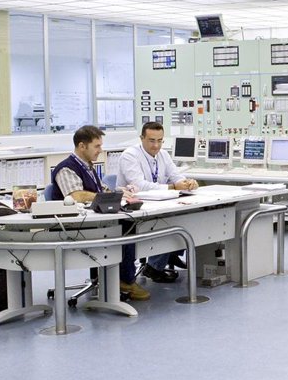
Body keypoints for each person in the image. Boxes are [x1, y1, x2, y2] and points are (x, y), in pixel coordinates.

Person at [51, 125, 148, 301]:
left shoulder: (88, 167)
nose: (100, 150)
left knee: (128, 220)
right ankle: (125, 280)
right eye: (97, 146)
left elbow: (100, 190)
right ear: (82, 146)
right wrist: (103, 195)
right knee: (125, 225)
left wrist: (119, 192)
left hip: (93, 220)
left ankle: (119, 276)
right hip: (73, 227)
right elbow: (76, 195)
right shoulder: (66, 168)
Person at [117, 121, 198, 283]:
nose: (156, 145)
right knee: (167, 222)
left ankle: (169, 254)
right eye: (151, 140)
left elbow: (176, 176)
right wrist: (172, 187)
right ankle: (154, 266)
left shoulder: (163, 155)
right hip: (134, 209)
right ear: (141, 138)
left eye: (160, 141)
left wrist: (187, 183)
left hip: (157, 205)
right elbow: (139, 185)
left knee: (184, 215)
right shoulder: (130, 156)